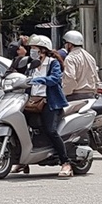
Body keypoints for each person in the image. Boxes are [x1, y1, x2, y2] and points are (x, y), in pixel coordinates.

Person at [14, 35, 72, 178]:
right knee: (21, 127)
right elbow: (23, 78)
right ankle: (24, 160)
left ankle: (66, 163)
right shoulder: (31, 65)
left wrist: (37, 79)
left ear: (43, 50)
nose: (32, 51)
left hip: (50, 103)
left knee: (51, 130)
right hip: (32, 102)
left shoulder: (53, 63)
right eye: (31, 48)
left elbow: (54, 79)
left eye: (34, 48)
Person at [61, 30, 100, 101]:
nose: (65, 46)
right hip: (91, 95)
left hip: (75, 96)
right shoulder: (90, 57)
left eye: (65, 43)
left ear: (70, 44)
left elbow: (70, 78)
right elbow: (95, 76)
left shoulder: (70, 58)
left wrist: (65, 92)